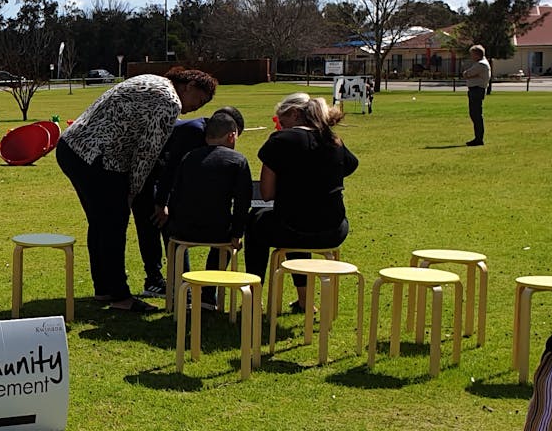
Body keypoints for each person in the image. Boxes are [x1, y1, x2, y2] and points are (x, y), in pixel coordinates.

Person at [55, 67, 216, 313]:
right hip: (99, 157)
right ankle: (120, 296)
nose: (197, 107)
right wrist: (132, 192)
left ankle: (104, 289)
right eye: (200, 99)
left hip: (72, 146)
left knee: (99, 222)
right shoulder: (170, 101)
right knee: (114, 223)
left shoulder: (152, 80)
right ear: (190, 86)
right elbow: (147, 153)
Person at [244, 92, 358, 312]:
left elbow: (266, 193)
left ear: (294, 114)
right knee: (296, 219)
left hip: (292, 226)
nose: (280, 126)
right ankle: (305, 301)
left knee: (259, 222)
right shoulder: (333, 139)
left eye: (281, 120)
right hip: (333, 229)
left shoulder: (280, 141)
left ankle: (254, 295)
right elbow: (351, 165)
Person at [165, 110, 252, 306]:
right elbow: (242, 202)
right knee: (225, 243)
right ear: (232, 135)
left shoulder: (188, 157)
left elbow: (176, 193)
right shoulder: (237, 161)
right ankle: (208, 294)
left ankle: (181, 293)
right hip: (218, 231)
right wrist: (237, 233)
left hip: (183, 229)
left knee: (179, 245)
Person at [463, 44, 491, 146]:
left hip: (476, 90)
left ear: (477, 54)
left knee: (476, 115)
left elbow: (467, 74)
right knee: (475, 114)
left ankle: (478, 139)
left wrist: (467, 75)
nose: (471, 57)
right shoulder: (481, 63)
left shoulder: (480, 65)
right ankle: (478, 138)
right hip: (476, 90)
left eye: (472, 54)